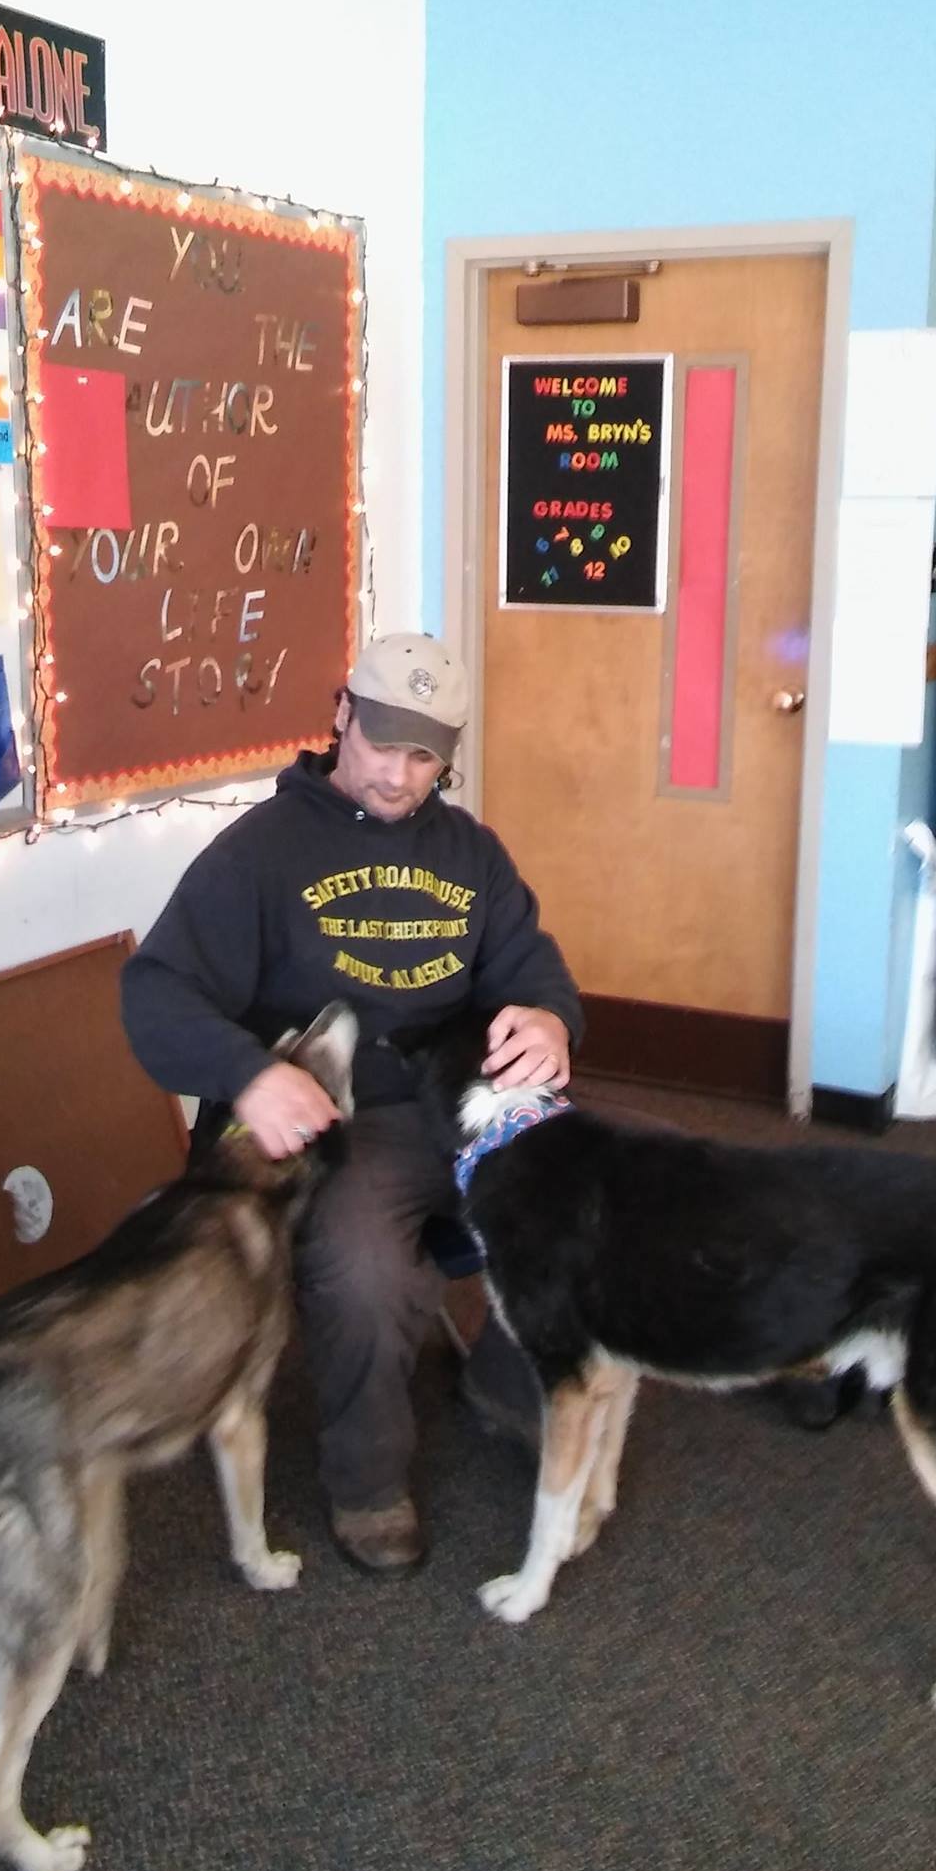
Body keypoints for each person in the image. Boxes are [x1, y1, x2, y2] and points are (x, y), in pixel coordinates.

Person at [121, 633, 582, 1575]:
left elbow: (531, 971)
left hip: (465, 1098)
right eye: (382, 745)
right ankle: (367, 1482)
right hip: (343, 1120)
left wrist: (550, 1020)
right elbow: (156, 990)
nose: (398, 775)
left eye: (425, 756)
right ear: (342, 716)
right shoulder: (262, 851)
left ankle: (505, 1384)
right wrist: (249, 1075)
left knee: (592, 1203)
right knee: (369, 1265)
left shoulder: (472, 854)